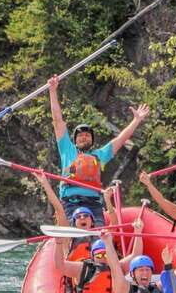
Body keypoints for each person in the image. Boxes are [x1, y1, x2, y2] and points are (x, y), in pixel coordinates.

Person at [48, 74, 150, 225]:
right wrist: (52, 91)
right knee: (73, 240)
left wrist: (136, 120)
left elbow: (121, 140)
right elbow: (57, 121)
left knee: (99, 239)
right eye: (80, 136)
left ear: (92, 140)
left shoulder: (100, 155)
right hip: (70, 204)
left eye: (87, 136)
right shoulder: (67, 149)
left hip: (94, 204)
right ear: (74, 140)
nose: (84, 137)